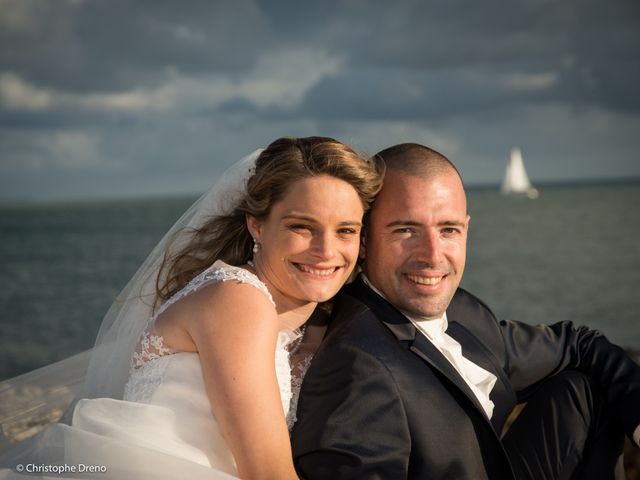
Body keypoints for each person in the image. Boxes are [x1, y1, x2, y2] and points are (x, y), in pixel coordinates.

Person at [0, 136, 382, 479]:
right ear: (257, 226)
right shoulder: (238, 299)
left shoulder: (306, 323)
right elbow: (267, 473)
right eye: (302, 226)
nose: (327, 251)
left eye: (345, 230)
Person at [291, 143, 640, 480]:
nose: (432, 255)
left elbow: (580, 344)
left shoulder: (463, 310)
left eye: (448, 230)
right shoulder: (354, 368)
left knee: (583, 390)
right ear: (364, 240)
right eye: (406, 230)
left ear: (466, 229)